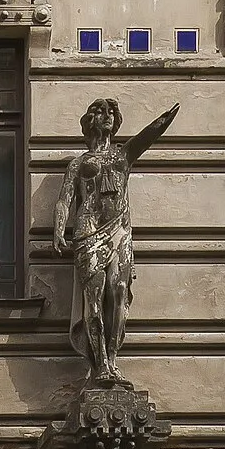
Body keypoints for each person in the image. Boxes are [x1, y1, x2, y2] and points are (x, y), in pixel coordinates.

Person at [53, 97, 177, 384]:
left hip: (118, 231)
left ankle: (112, 357)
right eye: (101, 111)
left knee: (119, 293)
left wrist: (163, 121)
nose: (108, 115)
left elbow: (146, 137)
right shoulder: (78, 164)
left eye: (112, 112)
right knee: (93, 301)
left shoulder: (123, 156)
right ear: (90, 121)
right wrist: (58, 230)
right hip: (88, 232)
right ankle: (101, 367)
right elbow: (64, 200)